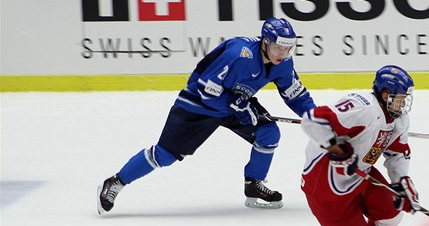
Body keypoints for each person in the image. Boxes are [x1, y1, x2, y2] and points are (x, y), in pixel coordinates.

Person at [97, 17, 316, 214]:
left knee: (268, 132)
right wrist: (238, 106)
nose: (283, 54)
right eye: (278, 48)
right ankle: (116, 181)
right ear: (265, 42)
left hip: (235, 103)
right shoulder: (239, 54)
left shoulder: (283, 63)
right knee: (164, 155)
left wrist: (317, 116)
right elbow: (204, 88)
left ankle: (253, 183)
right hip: (198, 105)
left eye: (287, 49)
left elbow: (295, 95)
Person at [275, 65, 421, 226]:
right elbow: (312, 120)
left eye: (406, 98)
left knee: (392, 212)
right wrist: (336, 149)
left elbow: (397, 153)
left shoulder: (399, 120)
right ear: (385, 94)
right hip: (325, 182)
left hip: (361, 174)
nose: (404, 103)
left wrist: (402, 181)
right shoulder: (362, 108)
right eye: (400, 98)